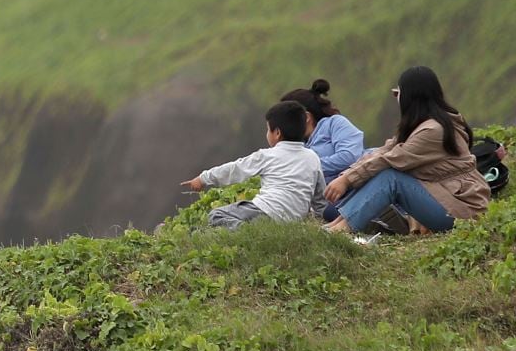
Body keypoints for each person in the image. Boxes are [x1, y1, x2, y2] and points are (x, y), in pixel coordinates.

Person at [324, 66, 488, 236]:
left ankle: (342, 229)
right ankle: (340, 223)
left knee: (390, 178)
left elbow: (389, 159)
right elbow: (383, 151)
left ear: (409, 96)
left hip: (462, 211)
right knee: (379, 171)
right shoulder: (423, 125)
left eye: (398, 93)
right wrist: (348, 175)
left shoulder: (432, 131)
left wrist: (347, 180)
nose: (397, 99)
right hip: (447, 199)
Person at [182, 101, 326, 230]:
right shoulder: (313, 157)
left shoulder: (267, 156)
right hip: (295, 219)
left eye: (268, 129)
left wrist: (203, 178)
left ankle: (250, 232)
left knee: (216, 215)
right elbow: (320, 196)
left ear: (277, 133)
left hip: (266, 211)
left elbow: (235, 169)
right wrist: (317, 217)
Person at [281, 79, 364, 181]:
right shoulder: (298, 144)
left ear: (306, 117)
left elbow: (349, 157)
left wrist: (305, 167)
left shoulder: (335, 123)